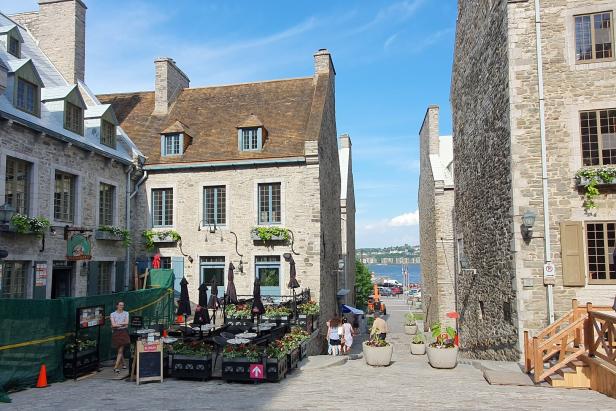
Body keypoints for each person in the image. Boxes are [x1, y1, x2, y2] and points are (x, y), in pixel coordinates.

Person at [110, 301, 130, 373]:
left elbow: (127, 323)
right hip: (116, 332)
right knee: (119, 350)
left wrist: (116, 324)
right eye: (120, 305)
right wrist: (121, 324)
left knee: (120, 350)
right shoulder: (112, 314)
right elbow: (113, 324)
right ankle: (124, 364)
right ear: (117, 306)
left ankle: (115, 367)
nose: (122, 306)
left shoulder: (126, 313)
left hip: (123, 332)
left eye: (123, 305)